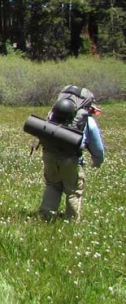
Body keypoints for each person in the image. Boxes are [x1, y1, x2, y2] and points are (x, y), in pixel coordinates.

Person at [38, 88, 105, 222]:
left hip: (49, 156)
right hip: (71, 159)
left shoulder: (52, 115)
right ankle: (72, 222)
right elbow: (97, 147)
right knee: (73, 191)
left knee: (53, 185)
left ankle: (46, 216)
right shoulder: (87, 121)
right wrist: (97, 160)